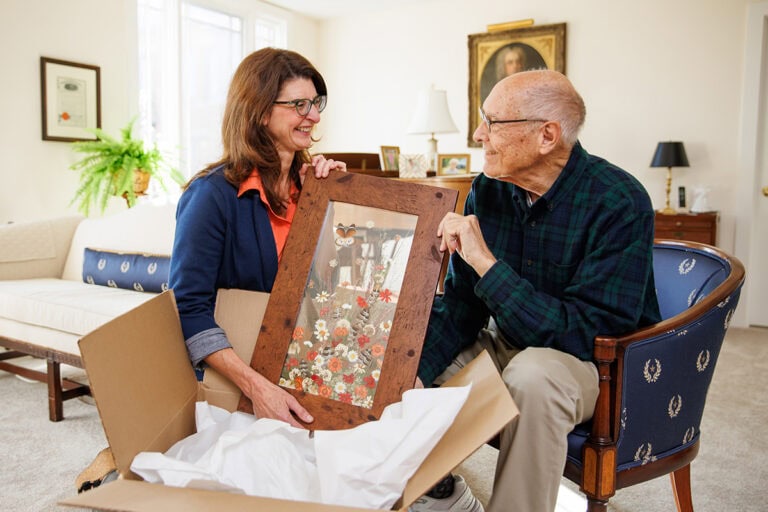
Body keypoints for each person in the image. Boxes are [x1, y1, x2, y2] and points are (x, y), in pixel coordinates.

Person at [409, 69, 661, 512]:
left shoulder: (619, 201)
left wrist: (486, 263)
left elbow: (586, 333)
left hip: (590, 365)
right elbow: (463, 308)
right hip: (509, 342)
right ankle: (440, 490)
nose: (477, 133)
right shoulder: (487, 190)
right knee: (407, 352)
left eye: (492, 122)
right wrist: (412, 368)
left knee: (532, 375)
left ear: (547, 135)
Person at [168, 48, 346, 428]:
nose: (314, 116)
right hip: (240, 377)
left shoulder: (314, 187)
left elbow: (334, 288)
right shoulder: (210, 197)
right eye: (300, 104)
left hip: (311, 362)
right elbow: (188, 310)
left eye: (316, 103)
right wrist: (256, 388)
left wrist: (338, 202)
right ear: (260, 112)